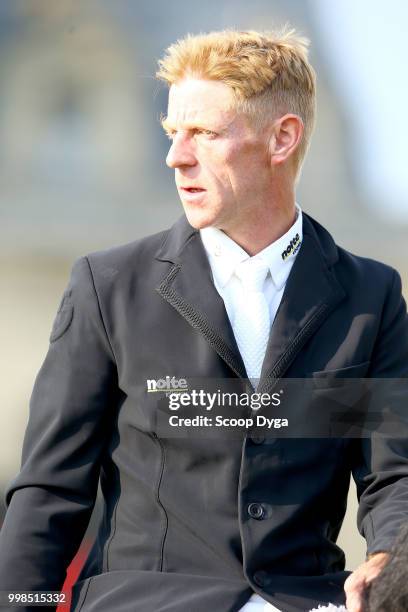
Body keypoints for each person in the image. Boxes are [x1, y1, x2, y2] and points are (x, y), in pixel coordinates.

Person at [0, 27, 407, 612]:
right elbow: (50, 490)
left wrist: (389, 558)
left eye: (204, 134)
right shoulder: (108, 287)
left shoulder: (371, 296)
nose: (175, 156)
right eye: (172, 133)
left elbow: (393, 477)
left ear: (282, 139)